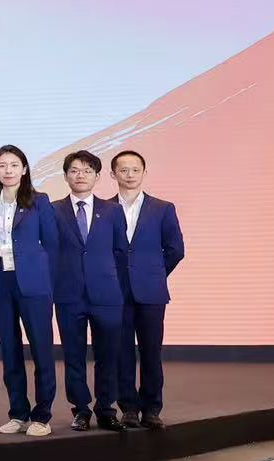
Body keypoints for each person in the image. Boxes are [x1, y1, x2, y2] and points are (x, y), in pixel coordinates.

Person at [0, 145, 59, 440]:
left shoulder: (39, 201)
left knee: (41, 350)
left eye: (14, 165)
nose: (8, 170)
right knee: (9, 350)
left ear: (24, 169)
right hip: (1, 281)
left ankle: (42, 415)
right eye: (2, 165)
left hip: (34, 284)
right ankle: (18, 413)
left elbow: (52, 245)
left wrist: (43, 279)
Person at [52, 150, 127, 431]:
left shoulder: (112, 210)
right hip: (68, 293)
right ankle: (81, 410)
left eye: (86, 170)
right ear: (66, 176)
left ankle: (106, 409)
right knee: (73, 356)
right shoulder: (54, 210)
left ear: (97, 176)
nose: (80, 175)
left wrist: (114, 284)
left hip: (106, 295)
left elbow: (120, 251)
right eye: (74, 170)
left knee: (108, 355)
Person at [111, 150, 184, 429]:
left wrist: (155, 273)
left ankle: (152, 408)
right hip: (116, 292)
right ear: (113, 174)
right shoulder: (104, 209)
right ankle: (128, 408)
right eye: (123, 170)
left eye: (135, 170)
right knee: (122, 352)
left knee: (151, 351)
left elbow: (175, 249)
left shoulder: (163, 208)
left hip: (151, 292)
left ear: (144, 172)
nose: (129, 175)